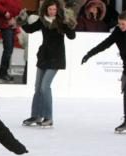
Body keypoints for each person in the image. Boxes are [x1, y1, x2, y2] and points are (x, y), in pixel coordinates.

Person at [82, 9, 126, 133]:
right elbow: (105, 44)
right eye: (119, 24)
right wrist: (89, 54)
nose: (120, 27)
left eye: (123, 24)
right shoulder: (118, 32)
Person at [17, 0, 76, 128]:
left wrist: (69, 22)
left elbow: (72, 36)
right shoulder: (42, 21)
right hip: (44, 56)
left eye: (54, 9)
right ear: (45, 9)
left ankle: (48, 117)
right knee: (38, 87)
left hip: (56, 57)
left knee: (45, 86)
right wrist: (22, 19)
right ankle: (36, 115)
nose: (52, 12)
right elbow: (30, 29)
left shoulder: (61, 21)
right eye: (50, 9)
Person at [0, 0, 22, 82]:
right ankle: (2, 74)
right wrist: (5, 12)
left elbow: (17, 9)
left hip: (12, 25)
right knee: (8, 50)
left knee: (9, 50)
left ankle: (4, 73)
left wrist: (17, 19)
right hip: (5, 25)